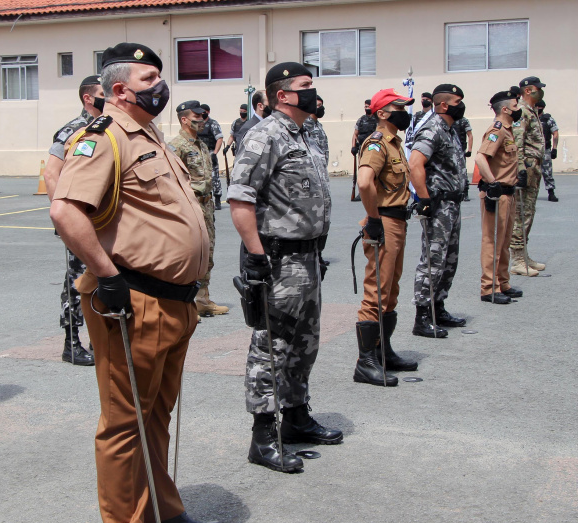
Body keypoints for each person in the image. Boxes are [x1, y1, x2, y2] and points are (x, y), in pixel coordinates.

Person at [50, 42, 223, 523]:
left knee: (156, 414)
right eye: (149, 78)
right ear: (120, 90)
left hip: (176, 300)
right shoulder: (103, 138)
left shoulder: (154, 138)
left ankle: (161, 512)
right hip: (134, 299)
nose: (160, 85)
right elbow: (66, 211)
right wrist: (105, 276)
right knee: (126, 421)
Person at [228, 61, 341, 474]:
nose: (314, 92)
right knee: (271, 347)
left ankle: (296, 416)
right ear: (282, 95)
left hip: (309, 255)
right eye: (306, 86)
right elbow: (240, 199)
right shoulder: (265, 134)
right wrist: (257, 256)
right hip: (278, 257)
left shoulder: (309, 132)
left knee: (304, 342)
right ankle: (263, 435)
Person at [354, 89, 422, 387]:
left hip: (398, 220)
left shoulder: (396, 144)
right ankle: (365, 362)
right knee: (377, 292)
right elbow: (364, 182)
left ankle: (383, 351)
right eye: (398, 107)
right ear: (382, 113)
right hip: (384, 221)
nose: (404, 112)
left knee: (390, 289)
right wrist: (373, 219)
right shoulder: (378, 143)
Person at [44, 74, 105, 366]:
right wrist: (63, 218)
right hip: (80, 220)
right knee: (77, 281)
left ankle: (99, 337)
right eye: (103, 93)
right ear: (88, 98)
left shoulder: (110, 128)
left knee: (104, 278)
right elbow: (50, 174)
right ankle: (72, 342)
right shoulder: (72, 131)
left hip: (105, 221)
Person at [409, 84, 470, 339]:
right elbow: (415, 163)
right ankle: (422, 316)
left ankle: (438, 307)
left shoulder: (450, 129)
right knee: (433, 260)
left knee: (449, 260)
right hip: (439, 205)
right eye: (457, 101)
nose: (461, 105)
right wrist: (424, 200)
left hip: (453, 204)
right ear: (444, 104)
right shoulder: (433, 127)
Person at [168, 100, 228, 319]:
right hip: (189, 208)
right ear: (184, 119)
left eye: (203, 116)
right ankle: (184, 305)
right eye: (198, 117)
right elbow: (171, 182)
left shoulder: (202, 145)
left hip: (207, 205)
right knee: (189, 255)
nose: (202, 120)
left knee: (207, 253)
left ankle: (202, 300)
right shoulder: (176, 147)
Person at [474, 88, 525, 305]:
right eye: (514, 106)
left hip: (508, 193)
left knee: (503, 241)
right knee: (492, 241)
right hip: (497, 195)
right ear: (504, 109)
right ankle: (489, 288)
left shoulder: (508, 130)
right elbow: (480, 158)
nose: (517, 110)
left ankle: (503, 282)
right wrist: (492, 182)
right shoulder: (497, 130)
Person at [510, 76, 547, 277]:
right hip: (527, 166)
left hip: (534, 166)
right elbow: (518, 140)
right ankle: (517, 259)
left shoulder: (531, 110)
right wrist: (521, 167)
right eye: (537, 89)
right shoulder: (523, 110)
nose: (540, 92)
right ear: (528, 90)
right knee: (522, 212)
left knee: (529, 211)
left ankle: (523, 253)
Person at [197, 103, 224, 210]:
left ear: (208, 112)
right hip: (199, 154)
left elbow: (220, 139)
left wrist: (215, 153)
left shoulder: (213, 124)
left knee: (214, 178)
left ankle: (217, 199)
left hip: (210, 153)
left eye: (203, 112)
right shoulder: (198, 123)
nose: (201, 114)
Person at [537, 100, 559, 202]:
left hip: (545, 150)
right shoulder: (530, 118)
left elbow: (555, 133)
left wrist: (554, 149)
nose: (537, 109)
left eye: (539, 107)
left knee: (547, 172)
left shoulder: (548, 119)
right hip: (532, 150)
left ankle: (551, 192)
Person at [302, 94, 329, 170]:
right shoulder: (304, 125)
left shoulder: (318, 125)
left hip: (322, 166)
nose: (321, 108)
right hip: (311, 168)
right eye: (318, 105)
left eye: (322, 105)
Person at [452, 116, 473, 202]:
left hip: (460, 150)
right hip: (449, 150)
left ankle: (465, 192)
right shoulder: (447, 120)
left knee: (462, 171)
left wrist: (469, 150)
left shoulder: (463, 121)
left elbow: (470, 135)